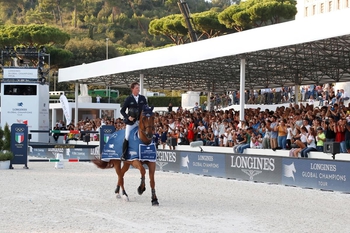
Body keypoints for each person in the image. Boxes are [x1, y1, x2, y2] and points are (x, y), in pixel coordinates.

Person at [120, 82, 148, 160]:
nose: (138, 89)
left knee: (150, 133)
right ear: (132, 89)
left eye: (138, 88)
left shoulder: (142, 98)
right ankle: (124, 154)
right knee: (127, 136)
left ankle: (152, 151)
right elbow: (122, 111)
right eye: (137, 88)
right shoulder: (128, 99)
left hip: (141, 121)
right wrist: (128, 117)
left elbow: (146, 108)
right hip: (132, 122)